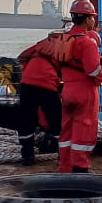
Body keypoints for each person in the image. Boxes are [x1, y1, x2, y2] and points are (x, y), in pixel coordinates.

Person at [55, 0, 102, 173]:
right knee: (84, 129)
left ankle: (64, 167)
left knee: (67, 130)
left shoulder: (64, 38)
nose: (94, 20)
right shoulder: (88, 42)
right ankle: (80, 168)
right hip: (85, 92)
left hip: (67, 90)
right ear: (87, 19)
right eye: (93, 17)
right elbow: (93, 70)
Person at [15, 29, 66, 165]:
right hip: (47, 84)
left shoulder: (40, 45)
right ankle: (58, 152)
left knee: (26, 119)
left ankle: (27, 156)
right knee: (57, 120)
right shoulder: (65, 47)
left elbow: (22, 56)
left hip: (27, 83)